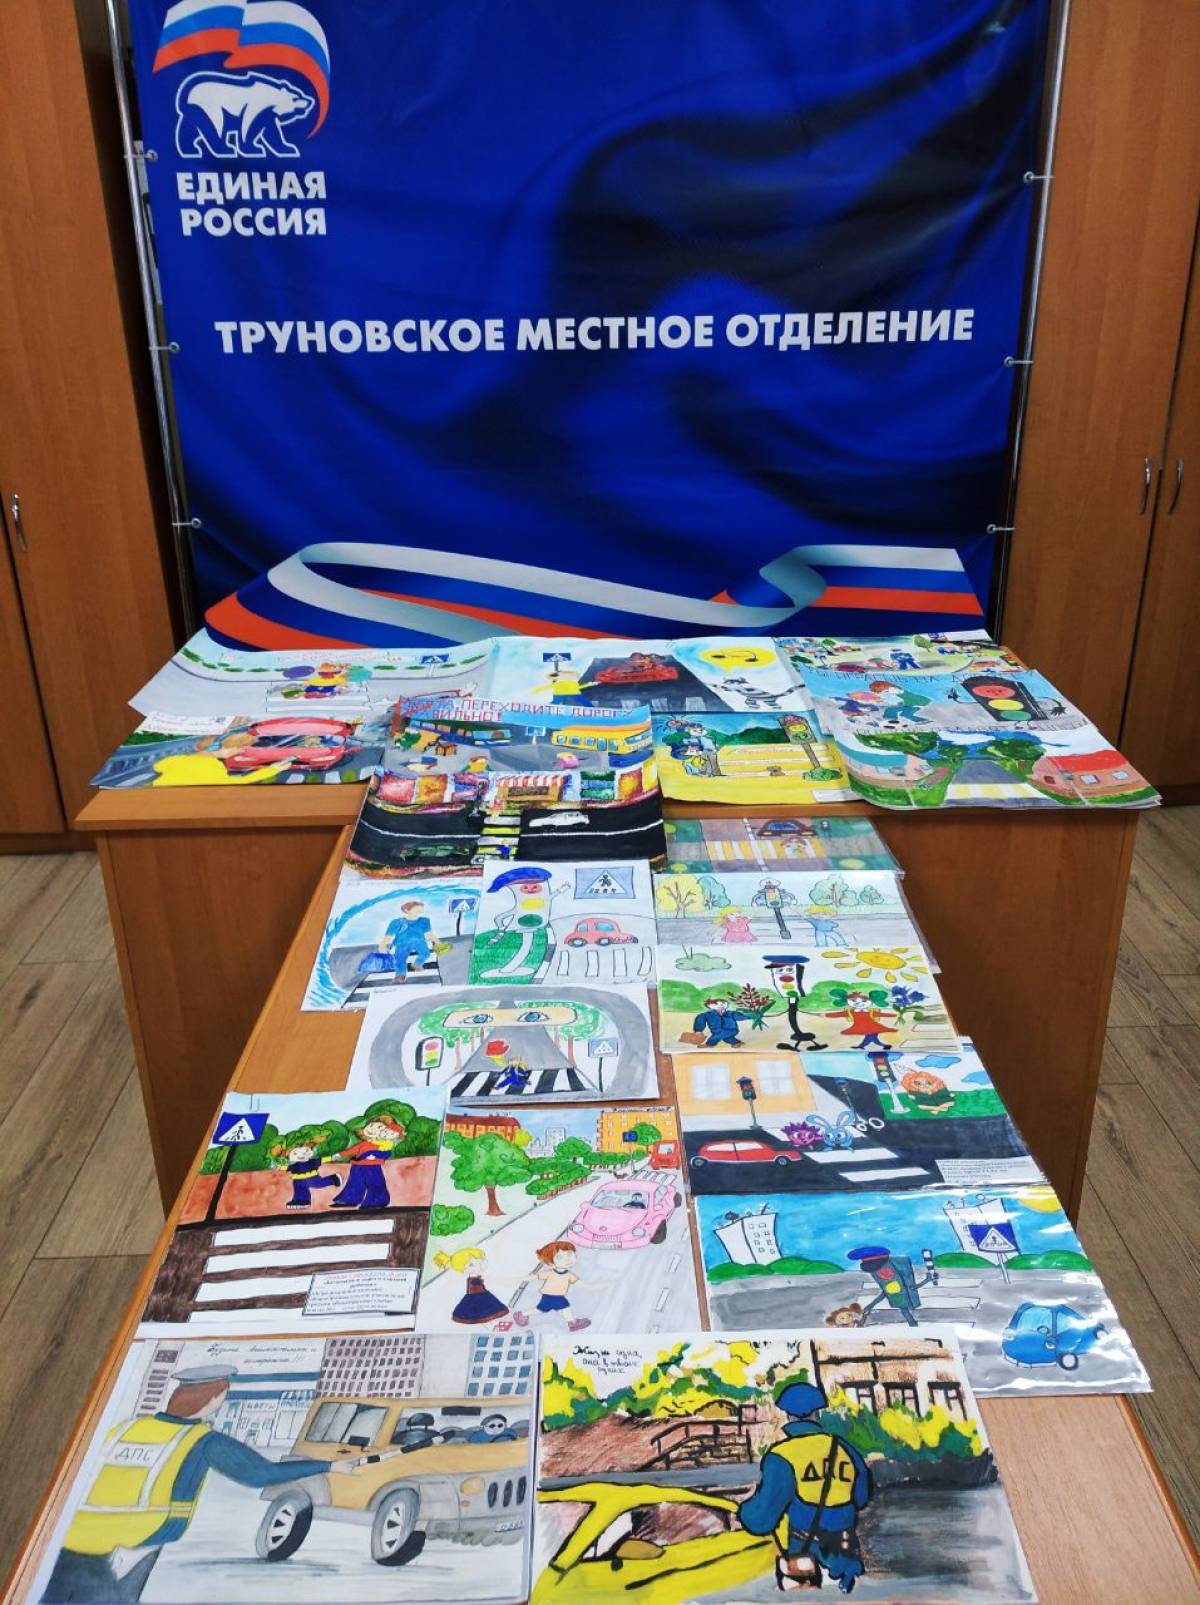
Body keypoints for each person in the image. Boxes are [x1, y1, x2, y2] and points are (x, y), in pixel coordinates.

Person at [42, 1364, 347, 1602]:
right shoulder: (203, 1440)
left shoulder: (126, 1428)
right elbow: (261, 1474)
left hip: (71, 1538)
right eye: (222, 1396)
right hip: (132, 1545)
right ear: (214, 1399)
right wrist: (328, 1465)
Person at [739, 1381, 872, 1594]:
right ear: (817, 1414)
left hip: (806, 1563)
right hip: (847, 1560)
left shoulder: (781, 1456)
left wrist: (742, 1511)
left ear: (788, 1416)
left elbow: (762, 1520)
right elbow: (861, 1498)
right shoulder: (843, 1448)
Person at [329, 1112, 406, 1209]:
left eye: (379, 1128)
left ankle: (377, 1201)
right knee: (354, 1183)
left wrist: (376, 1155)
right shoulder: (365, 1143)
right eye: (371, 1125)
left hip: (372, 1167)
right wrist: (340, 1155)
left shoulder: (383, 1144)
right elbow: (353, 1150)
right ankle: (349, 1199)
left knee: (375, 1183)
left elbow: (387, 1153)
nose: (372, 1128)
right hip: (358, 1166)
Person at [514, 1240, 594, 1331]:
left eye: (570, 1255)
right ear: (551, 1262)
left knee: (555, 1309)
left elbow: (578, 1283)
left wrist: (592, 1287)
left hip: (558, 1296)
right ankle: (572, 1323)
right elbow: (535, 1277)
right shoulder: (550, 1273)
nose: (567, 1259)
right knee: (553, 1309)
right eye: (560, 1257)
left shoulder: (568, 1274)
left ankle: (572, 1322)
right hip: (550, 1296)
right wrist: (520, 1279)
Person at [435, 1246, 510, 1324]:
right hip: (476, 1297)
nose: (479, 1265)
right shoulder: (473, 1279)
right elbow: (474, 1289)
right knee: (480, 1310)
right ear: (463, 1269)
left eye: (481, 1261)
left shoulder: (476, 1277)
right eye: (471, 1265)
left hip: (482, 1294)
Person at [271, 1135, 340, 1208]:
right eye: (295, 1153)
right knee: (299, 1189)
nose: (301, 1154)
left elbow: (322, 1160)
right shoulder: (294, 1165)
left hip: (312, 1178)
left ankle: (333, 1179)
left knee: (320, 1183)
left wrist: (332, 1158)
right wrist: (279, 1167)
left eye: (305, 1150)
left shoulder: (311, 1161)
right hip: (298, 1180)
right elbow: (287, 1167)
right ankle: (301, 1200)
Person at [827, 990, 897, 1052]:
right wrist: (826, 1015)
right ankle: (879, 1046)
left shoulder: (870, 1012)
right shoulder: (851, 1012)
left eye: (864, 1001)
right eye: (854, 1001)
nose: (859, 1003)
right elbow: (839, 1014)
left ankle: (866, 1046)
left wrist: (894, 1015)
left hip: (873, 1027)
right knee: (872, 1038)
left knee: (871, 1038)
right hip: (861, 1027)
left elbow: (881, 1014)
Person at [384, 899, 433, 975]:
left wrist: (436, 942)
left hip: (419, 941)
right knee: (400, 958)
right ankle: (400, 974)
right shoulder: (397, 922)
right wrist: (386, 944)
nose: (420, 910)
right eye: (417, 909)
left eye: (421, 908)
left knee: (425, 953)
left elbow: (429, 933)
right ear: (407, 910)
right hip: (402, 942)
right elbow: (388, 936)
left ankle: (417, 964)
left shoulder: (424, 921)